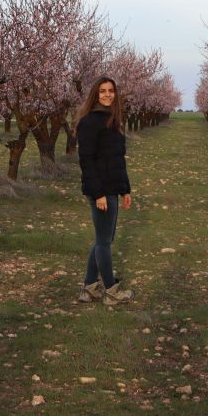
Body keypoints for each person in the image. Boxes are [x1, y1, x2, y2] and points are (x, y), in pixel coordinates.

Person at [75, 76, 135, 305]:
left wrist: (125, 189)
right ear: (95, 94)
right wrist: (98, 193)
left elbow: (118, 160)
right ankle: (111, 291)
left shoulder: (113, 120)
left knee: (104, 239)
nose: (107, 94)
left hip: (112, 189)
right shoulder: (90, 122)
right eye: (102, 91)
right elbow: (86, 161)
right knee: (103, 241)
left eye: (111, 90)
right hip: (100, 191)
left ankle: (90, 287)